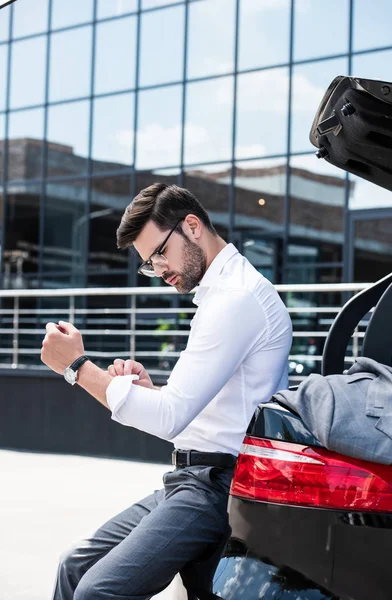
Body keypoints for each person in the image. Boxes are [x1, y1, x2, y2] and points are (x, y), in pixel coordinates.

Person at [41, 183, 293, 600]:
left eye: (159, 253)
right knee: (74, 565)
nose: (158, 270)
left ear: (191, 226)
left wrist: (76, 367)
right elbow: (194, 408)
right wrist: (148, 389)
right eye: (149, 264)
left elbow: (170, 416)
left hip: (215, 486)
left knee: (97, 592)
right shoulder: (219, 295)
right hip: (188, 479)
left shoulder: (236, 299)